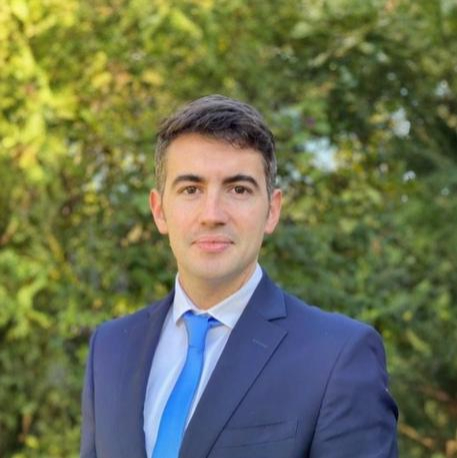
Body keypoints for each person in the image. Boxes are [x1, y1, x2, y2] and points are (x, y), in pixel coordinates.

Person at [80, 95, 398, 458]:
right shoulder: (110, 349)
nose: (212, 214)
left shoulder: (338, 358)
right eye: (191, 190)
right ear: (159, 210)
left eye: (238, 189)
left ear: (272, 210)